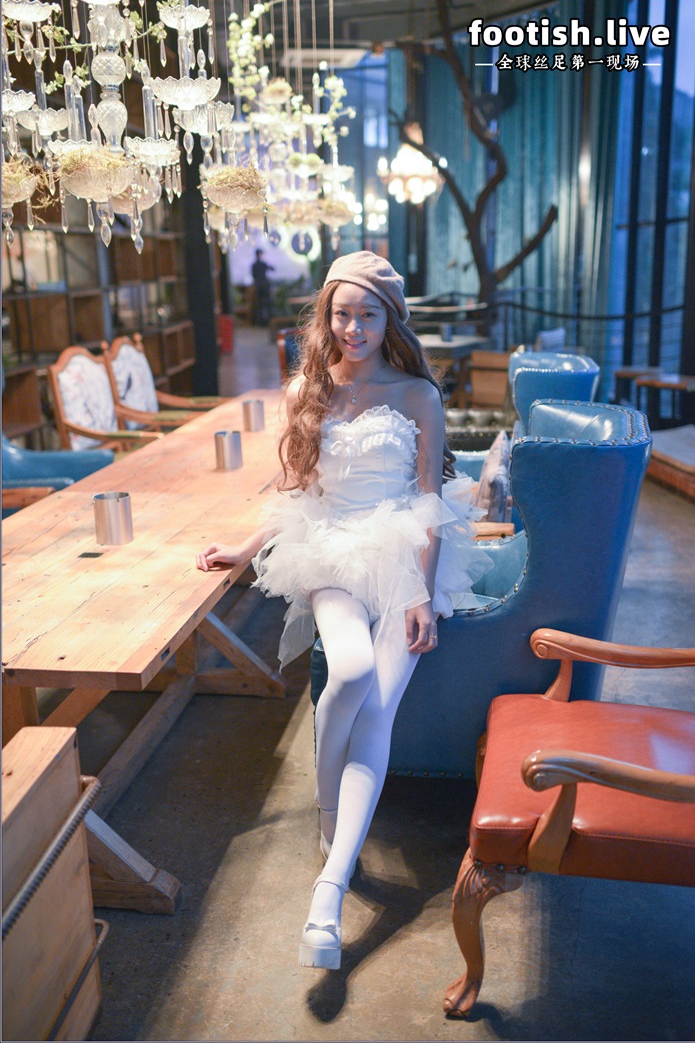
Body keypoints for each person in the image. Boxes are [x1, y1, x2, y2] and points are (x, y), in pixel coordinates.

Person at [195, 250, 490, 971]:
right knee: (350, 671)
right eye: (341, 314)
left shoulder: (417, 392)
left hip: (402, 554)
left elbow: (429, 500)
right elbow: (298, 489)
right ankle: (331, 821)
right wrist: (243, 548)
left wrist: (420, 593)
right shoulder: (308, 388)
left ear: (391, 320)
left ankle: (327, 892)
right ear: (325, 317)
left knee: (378, 709)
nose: (353, 328)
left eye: (368, 315)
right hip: (328, 549)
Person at [251, 248, 274, 325]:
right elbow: (272, 269)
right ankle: (267, 321)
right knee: (266, 304)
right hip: (264, 286)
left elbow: (253, 275)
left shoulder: (255, 265)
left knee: (260, 305)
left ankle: (261, 322)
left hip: (259, 286)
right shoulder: (262, 264)